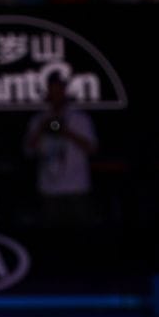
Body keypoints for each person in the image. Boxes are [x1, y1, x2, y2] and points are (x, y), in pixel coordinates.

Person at [22, 74, 98, 227]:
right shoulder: (38, 120)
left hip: (76, 188)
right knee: (53, 237)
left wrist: (67, 132)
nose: (56, 95)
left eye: (59, 91)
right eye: (52, 91)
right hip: (49, 189)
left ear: (64, 92)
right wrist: (40, 130)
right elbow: (28, 151)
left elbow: (91, 149)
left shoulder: (80, 119)